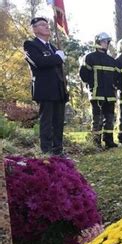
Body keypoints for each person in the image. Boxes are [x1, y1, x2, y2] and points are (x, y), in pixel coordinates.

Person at [24, 17, 68, 155]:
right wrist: (57, 58)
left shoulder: (53, 47)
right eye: (42, 25)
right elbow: (39, 62)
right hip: (45, 89)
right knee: (47, 122)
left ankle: (58, 151)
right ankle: (47, 152)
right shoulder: (30, 45)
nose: (47, 27)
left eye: (47, 24)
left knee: (58, 123)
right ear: (35, 29)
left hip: (58, 90)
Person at [79, 32, 118, 148]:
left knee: (110, 119)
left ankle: (109, 141)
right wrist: (91, 86)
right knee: (98, 119)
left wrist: (114, 86)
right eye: (104, 41)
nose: (106, 44)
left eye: (107, 42)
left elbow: (116, 77)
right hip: (96, 94)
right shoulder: (89, 57)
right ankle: (96, 142)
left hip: (110, 94)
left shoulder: (111, 60)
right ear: (97, 42)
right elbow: (83, 74)